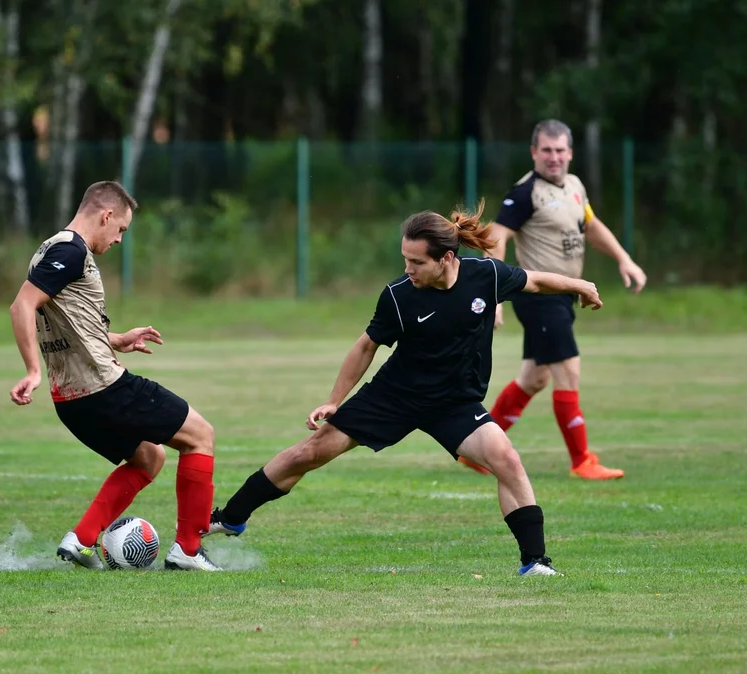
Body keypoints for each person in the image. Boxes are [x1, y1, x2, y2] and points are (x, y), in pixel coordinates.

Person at [203, 201, 604, 576]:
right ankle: (231, 517)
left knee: (507, 460)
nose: (408, 268)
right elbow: (365, 346)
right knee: (310, 452)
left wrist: (580, 285)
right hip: (394, 396)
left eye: (416, 261)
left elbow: (534, 281)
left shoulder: (486, 275)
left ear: (446, 258)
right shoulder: (399, 296)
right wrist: (333, 401)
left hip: (454, 403)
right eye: (404, 259)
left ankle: (535, 562)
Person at [8, 180, 221, 572]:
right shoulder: (71, 251)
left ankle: (81, 539)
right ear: (106, 215)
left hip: (71, 400)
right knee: (200, 436)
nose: (120, 238)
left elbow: (67, 320)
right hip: (104, 388)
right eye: (121, 228)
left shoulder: (49, 249)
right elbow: (21, 306)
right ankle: (188, 551)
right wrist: (31, 370)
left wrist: (116, 338)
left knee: (149, 457)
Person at [463, 119, 647, 481]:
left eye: (560, 150)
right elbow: (497, 240)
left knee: (533, 378)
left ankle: (474, 450)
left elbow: (591, 227)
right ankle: (582, 461)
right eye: (546, 150)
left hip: (563, 296)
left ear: (570, 153)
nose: (554, 157)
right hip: (538, 295)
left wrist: (624, 259)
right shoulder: (525, 192)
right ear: (534, 152)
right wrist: (495, 295)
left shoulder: (575, 187)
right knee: (568, 370)